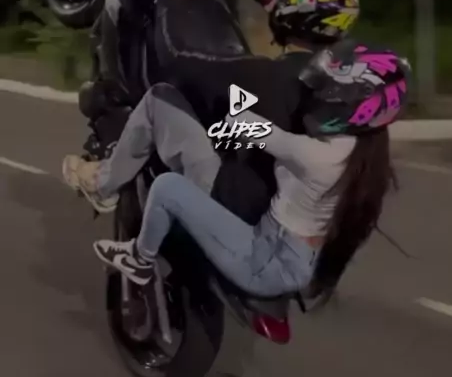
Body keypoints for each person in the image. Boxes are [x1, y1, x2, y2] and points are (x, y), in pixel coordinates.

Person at [77, 40, 410, 296]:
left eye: (325, 93)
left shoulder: (317, 156)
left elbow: (243, 124)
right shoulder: (362, 152)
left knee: (167, 188)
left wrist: (238, 84)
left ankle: (139, 259)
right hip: (290, 252)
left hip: (266, 258)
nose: (314, 96)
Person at [63, 0, 361, 218]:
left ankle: (103, 185)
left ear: (289, 15)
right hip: (297, 214)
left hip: (234, 204)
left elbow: (177, 61)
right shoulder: (346, 90)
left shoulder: (265, 74)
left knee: (159, 100)